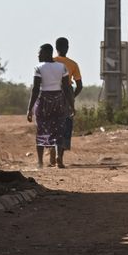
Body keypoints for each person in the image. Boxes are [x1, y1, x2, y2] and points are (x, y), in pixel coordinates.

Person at [27, 43, 73, 170]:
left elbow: (35, 89)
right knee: (59, 129)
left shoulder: (38, 67)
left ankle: (40, 162)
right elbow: (67, 88)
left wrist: (29, 108)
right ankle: (59, 158)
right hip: (59, 100)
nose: (38, 55)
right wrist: (71, 106)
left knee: (42, 129)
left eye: (40, 53)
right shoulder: (62, 67)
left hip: (43, 101)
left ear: (47, 53)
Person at [51, 37, 83, 167]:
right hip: (66, 94)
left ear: (56, 48)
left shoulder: (50, 62)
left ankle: (52, 151)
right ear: (67, 47)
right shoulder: (73, 64)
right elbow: (80, 86)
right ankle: (60, 156)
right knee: (65, 126)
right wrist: (72, 97)